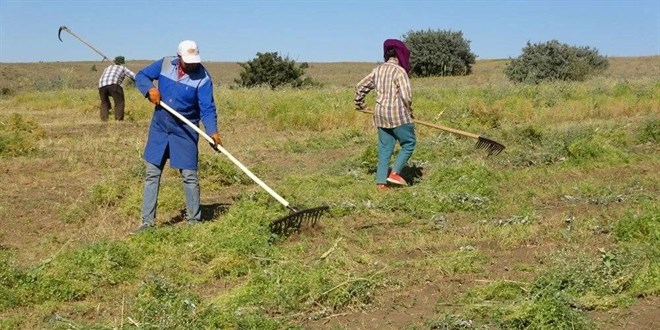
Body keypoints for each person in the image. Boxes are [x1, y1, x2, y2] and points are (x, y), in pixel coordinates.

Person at [132, 40, 222, 233]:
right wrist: (150, 89)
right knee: (152, 173)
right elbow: (142, 75)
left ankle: (194, 223)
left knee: (189, 176)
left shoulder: (203, 78)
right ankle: (147, 223)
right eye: (187, 60)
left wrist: (212, 131)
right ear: (179, 57)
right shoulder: (165, 63)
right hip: (160, 126)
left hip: (185, 130)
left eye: (194, 60)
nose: (191, 64)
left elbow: (207, 108)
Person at [354, 39, 416, 191]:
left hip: (380, 115)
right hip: (398, 116)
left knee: (384, 148)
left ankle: (381, 182)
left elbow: (360, 86)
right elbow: (406, 96)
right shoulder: (400, 71)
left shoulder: (378, 70)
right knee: (409, 143)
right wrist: (410, 111)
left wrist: (360, 103)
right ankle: (395, 173)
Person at [98, 56, 135, 121]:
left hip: (101, 85)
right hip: (113, 84)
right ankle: (119, 120)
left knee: (104, 102)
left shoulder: (107, 68)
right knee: (119, 102)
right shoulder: (123, 68)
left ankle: (104, 120)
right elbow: (133, 76)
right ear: (122, 63)